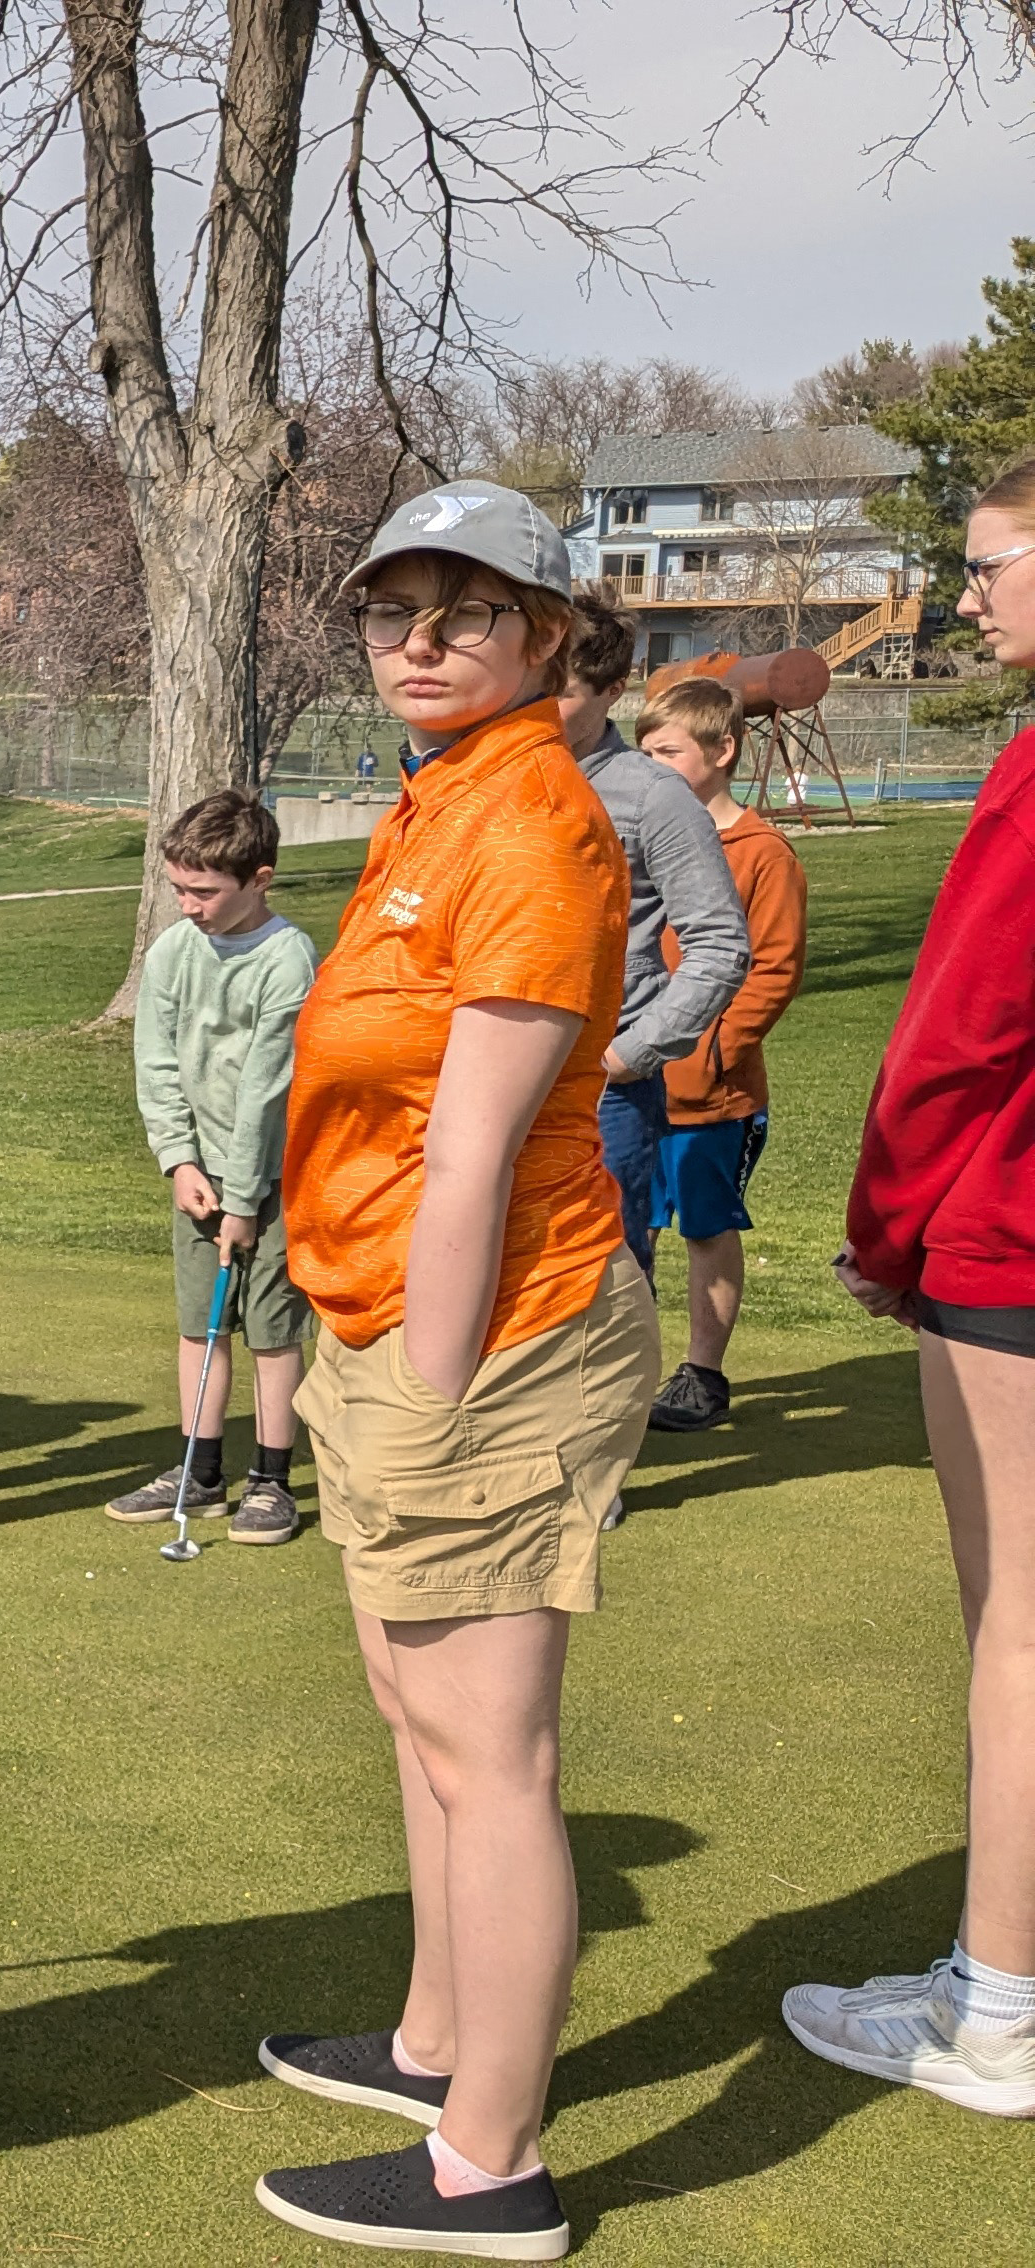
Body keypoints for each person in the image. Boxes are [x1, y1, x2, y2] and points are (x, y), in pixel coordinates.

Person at [254, 481, 658, 2260]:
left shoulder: (537, 823)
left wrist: (425, 1392)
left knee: (491, 1752)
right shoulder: (443, 791)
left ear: (545, 634)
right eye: (390, 609)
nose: (417, 640)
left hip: (488, 1337)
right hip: (383, 1317)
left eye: (464, 609)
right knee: (413, 1712)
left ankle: (490, 2164)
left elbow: (476, 1150)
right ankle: (433, 2043)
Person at [792, 450, 1035, 2119]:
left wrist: (885, 1235)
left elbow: (957, 1035)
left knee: (1017, 1626)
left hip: (1013, 1245)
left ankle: (997, 2007)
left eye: (990, 561)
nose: (965, 591)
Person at [106, 790, 322, 1545]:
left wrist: (245, 1199)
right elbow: (158, 1061)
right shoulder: (173, 951)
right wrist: (178, 1160)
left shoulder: (287, 959)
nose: (188, 905)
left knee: (271, 1329)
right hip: (200, 1175)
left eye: (203, 892)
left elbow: (267, 1085)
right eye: (178, 888)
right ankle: (199, 1475)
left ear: (259, 880)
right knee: (202, 1323)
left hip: (274, 1175)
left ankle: (271, 1479)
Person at [554, 588, 753, 1260]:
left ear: (613, 690)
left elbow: (721, 946)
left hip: (602, 1093)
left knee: (605, 1280)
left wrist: (627, 1057)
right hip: (483, 1077)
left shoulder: (653, 795)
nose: (537, 705)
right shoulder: (485, 783)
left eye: (561, 691)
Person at [631, 678, 805, 1435]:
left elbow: (772, 971)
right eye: (644, 751)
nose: (652, 765)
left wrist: (710, 1054)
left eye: (667, 751)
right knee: (628, 1229)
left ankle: (702, 1374)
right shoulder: (640, 837)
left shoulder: (762, 855)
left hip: (711, 1096)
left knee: (704, 1227)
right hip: (627, 1080)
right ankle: (618, 1374)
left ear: (722, 750)